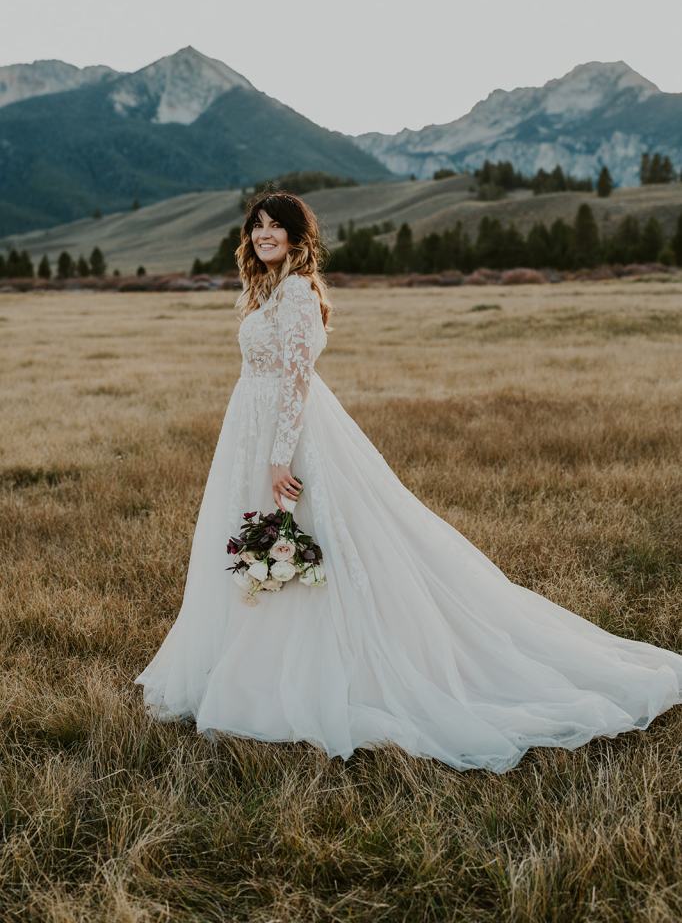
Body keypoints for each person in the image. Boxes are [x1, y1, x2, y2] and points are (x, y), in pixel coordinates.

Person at [134, 190, 682, 773]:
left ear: (298, 237)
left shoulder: (296, 292)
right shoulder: (267, 289)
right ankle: (251, 666)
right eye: (258, 226)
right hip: (250, 428)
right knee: (262, 543)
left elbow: (297, 380)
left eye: (277, 226)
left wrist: (279, 457)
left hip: (285, 434)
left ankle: (304, 673)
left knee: (307, 541)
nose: (265, 233)